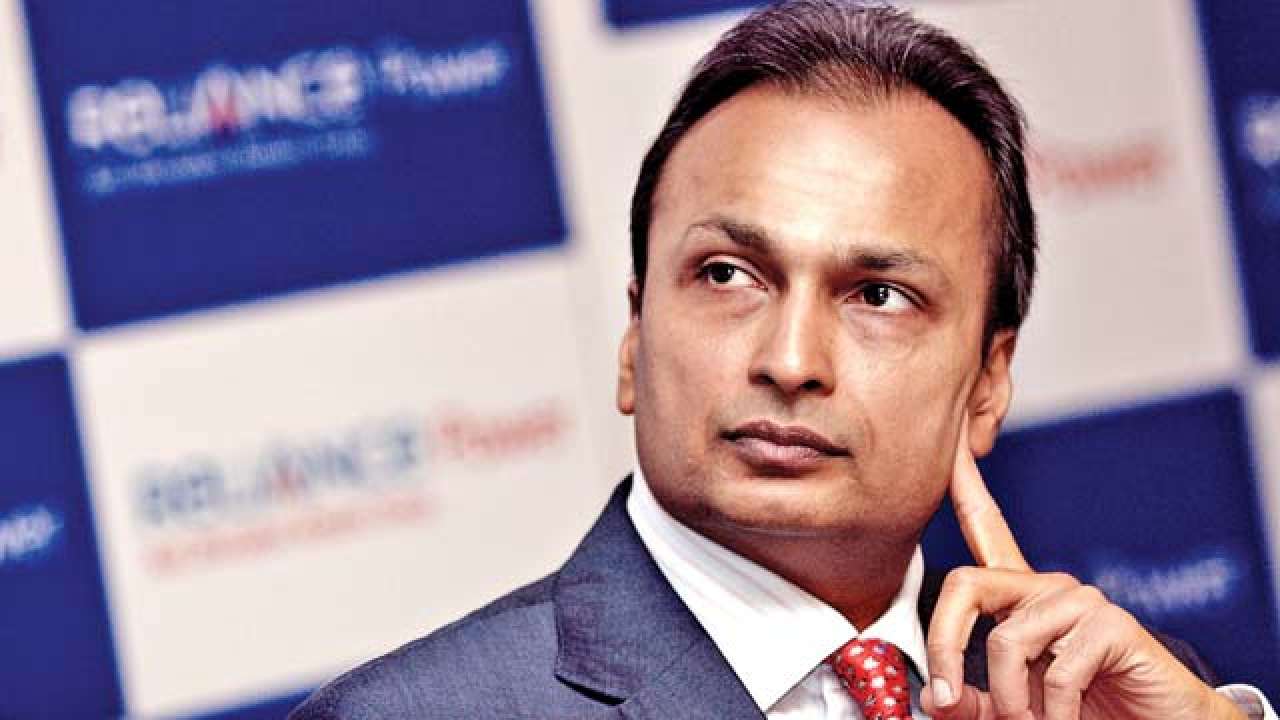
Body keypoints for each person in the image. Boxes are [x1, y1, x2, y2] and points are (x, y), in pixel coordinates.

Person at [290, 2, 1275, 718]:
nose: (791, 359)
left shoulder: (1096, 700)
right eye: (728, 275)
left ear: (986, 386)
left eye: (877, 295)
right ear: (634, 336)